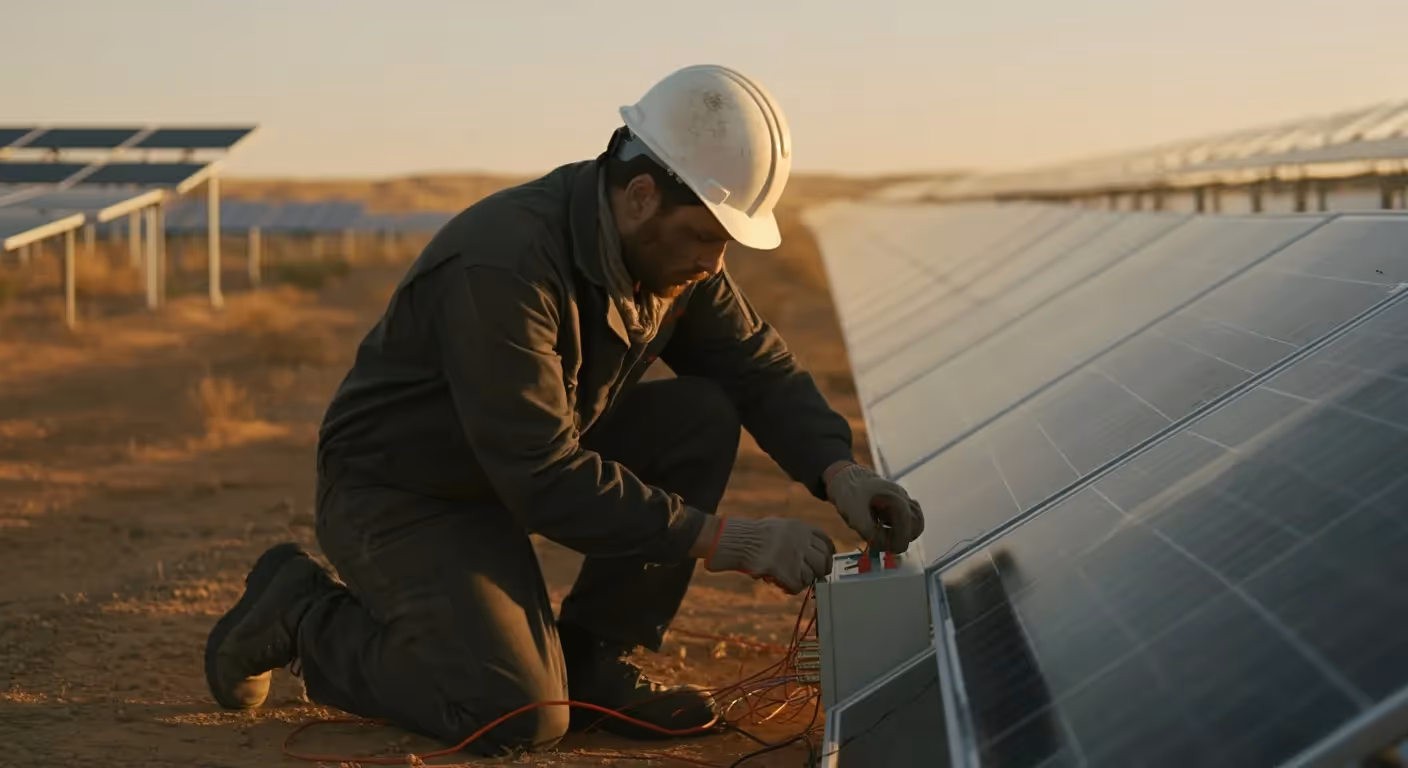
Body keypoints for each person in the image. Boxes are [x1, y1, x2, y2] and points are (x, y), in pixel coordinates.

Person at [203, 64, 925, 756]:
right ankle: (302, 615)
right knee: (513, 713)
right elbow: (541, 473)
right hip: (403, 492)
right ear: (642, 195)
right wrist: (727, 540)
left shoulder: (675, 261)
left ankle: (595, 659)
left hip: (506, 467)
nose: (714, 264)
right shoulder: (507, 263)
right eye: (707, 237)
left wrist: (840, 471)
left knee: (700, 413)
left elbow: (757, 370)